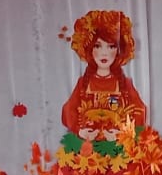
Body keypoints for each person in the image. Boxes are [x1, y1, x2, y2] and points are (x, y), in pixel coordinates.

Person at [60, 10, 147, 141]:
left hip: (117, 148)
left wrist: (123, 133)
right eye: (97, 46)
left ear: (119, 51)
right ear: (89, 48)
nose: (104, 53)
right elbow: (68, 110)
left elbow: (140, 111)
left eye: (111, 47)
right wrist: (80, 131)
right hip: (87, 147)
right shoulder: (83, 83)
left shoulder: (125, 84)